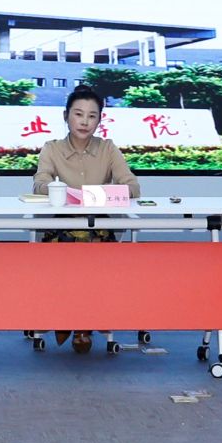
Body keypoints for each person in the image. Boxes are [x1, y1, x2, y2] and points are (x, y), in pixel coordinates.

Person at [30, 86, 139, 353]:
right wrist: (59, 191)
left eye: (92, 116)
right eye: (78, 114)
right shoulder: (52, 148)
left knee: (94, 254)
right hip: (62, 227)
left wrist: (97, 195)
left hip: (98, 227)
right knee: (69, 252)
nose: (85, 121)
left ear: (100, 120)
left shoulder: (108, 148)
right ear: (66, 116)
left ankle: (83, 323)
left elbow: (132, 187)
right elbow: (39, 184)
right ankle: (71, 320)